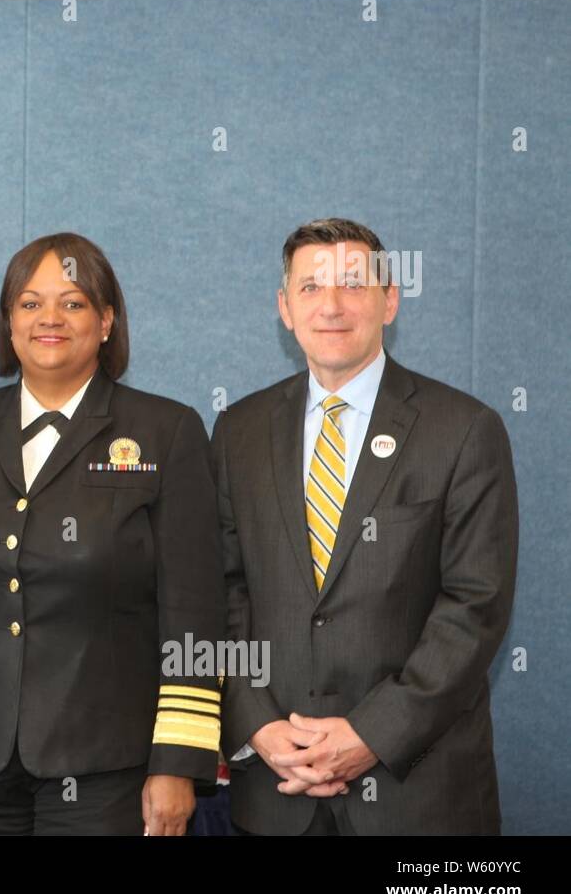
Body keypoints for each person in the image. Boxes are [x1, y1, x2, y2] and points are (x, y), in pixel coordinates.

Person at [0, 232, 225, 836]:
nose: (49, 318)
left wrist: (178, 761)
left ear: (106, 322)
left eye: (73, 303)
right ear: (8, 322)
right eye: (29, 303)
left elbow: (194, 610)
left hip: (107, 768)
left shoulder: (165, 431)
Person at [214, 218, 518, 834]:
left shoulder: (463, 430)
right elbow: (224, 591)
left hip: (420, 796)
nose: (331, 306)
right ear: (284, 307)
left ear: (390, 300)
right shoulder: (236, 432)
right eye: (310, 287)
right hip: (277, 792)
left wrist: (370, 734)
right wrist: (257, 724)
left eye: (354, 284)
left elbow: (474, 607)